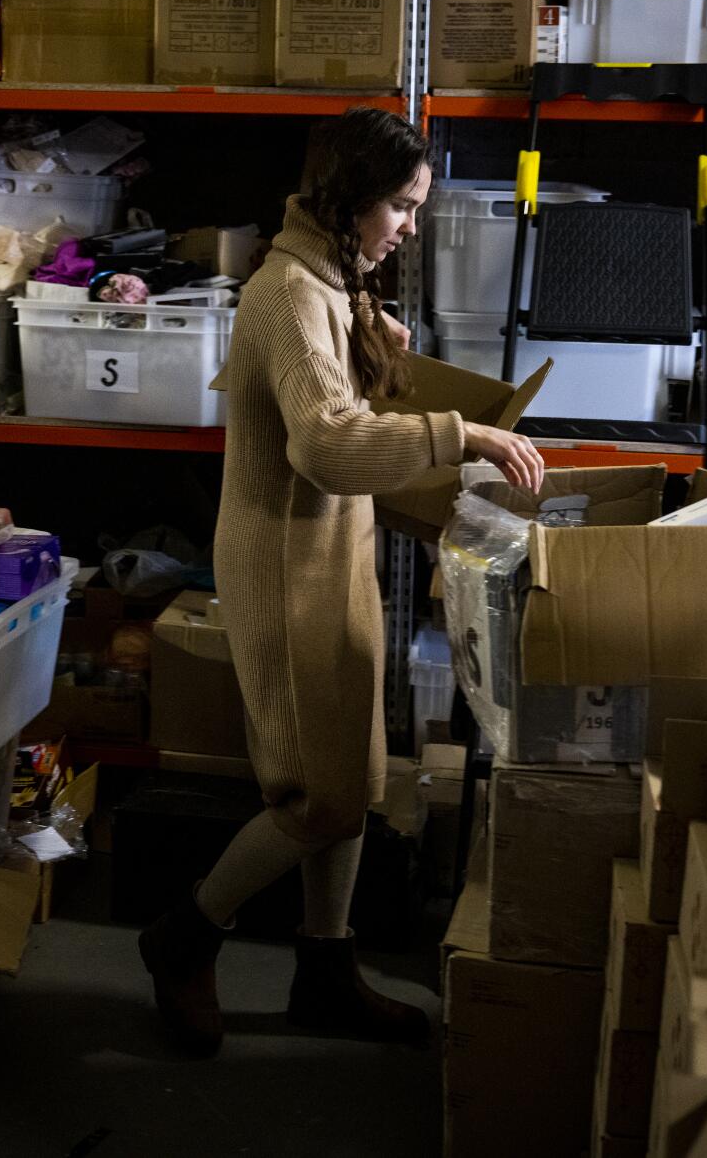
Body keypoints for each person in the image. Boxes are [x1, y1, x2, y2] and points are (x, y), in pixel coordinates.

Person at [138, 106, 546, 1057]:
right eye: (400, 206)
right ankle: (184, 935)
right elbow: (324, 444)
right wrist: (464, 434)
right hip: (283, 567)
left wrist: (387, 362)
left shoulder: (334, 281)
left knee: (355, 781)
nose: (407, 225)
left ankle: (325, 968)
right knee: (312, 797)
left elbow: (347, 426)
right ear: (350, 198)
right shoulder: (286, 293)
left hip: (331, 553)